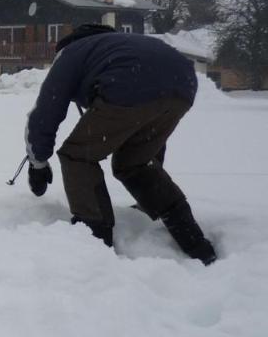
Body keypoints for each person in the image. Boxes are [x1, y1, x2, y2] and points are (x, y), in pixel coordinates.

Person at [24, 23, 217, 264]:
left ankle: (95, 240)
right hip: (183, 85)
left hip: (127, 84)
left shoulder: (72, 53)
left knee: (77, 156)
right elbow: (147, 130)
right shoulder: (124, 46)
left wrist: (38, 163)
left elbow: (46, 111)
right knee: (134, 163)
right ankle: (195, 243)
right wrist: (149, 181)